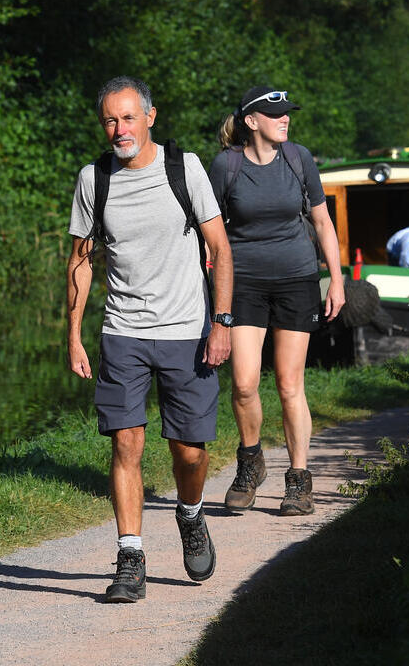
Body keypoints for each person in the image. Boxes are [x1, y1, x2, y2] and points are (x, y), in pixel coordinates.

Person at [67, 76, 233, 603]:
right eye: (111, 121)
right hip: (123, 332)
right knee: (126, 443)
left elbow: (220, 249)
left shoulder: (185, 169)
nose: (120, 129)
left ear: (150, 117)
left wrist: (222, 322)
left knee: (189, 454)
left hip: (186, 331)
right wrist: (73, 335)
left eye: (129, 117)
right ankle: (131, 556)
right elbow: (79, 261)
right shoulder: (94, 179)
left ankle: (189, 513)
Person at [208, 86, 345, 517]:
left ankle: (299, 480)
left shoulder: (299, 158)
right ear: (252, 122)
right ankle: (251, 463)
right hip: (243, 283)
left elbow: (322, 222)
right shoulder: (226, 166)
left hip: (297, 280)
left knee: (290, 385)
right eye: (276, 114)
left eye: (287, 113)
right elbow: (210, 232)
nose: (285, 119)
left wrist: (336, 281)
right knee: (245, 383)